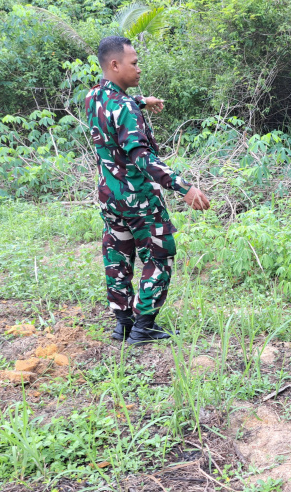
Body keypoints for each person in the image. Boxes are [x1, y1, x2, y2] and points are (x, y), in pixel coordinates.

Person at [85, 36, 210, 345]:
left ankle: (123, 324)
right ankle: (144, 326)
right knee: (160, 252)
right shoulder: (124, 105)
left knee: (118, 256)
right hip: (138, 198)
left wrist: (144, 101)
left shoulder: (93, 97)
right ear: (115, 65)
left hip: (109, 197)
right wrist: (184, 188)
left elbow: (115, 105)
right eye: (134, 63)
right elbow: (142, 158)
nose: (139, 69)